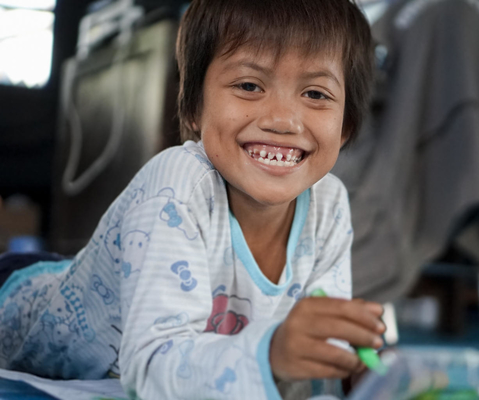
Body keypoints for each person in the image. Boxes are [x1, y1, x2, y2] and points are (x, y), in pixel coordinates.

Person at [0, 0, 383, 398]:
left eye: (316, 93)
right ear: (194, 106)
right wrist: (272, 353)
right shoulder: (177, 186)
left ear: (345, 125)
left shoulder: (330, 205)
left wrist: (350, 371)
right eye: (249, 86)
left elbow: (314, 361)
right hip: (18, 300)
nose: (283, 120)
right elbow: (151, 370)